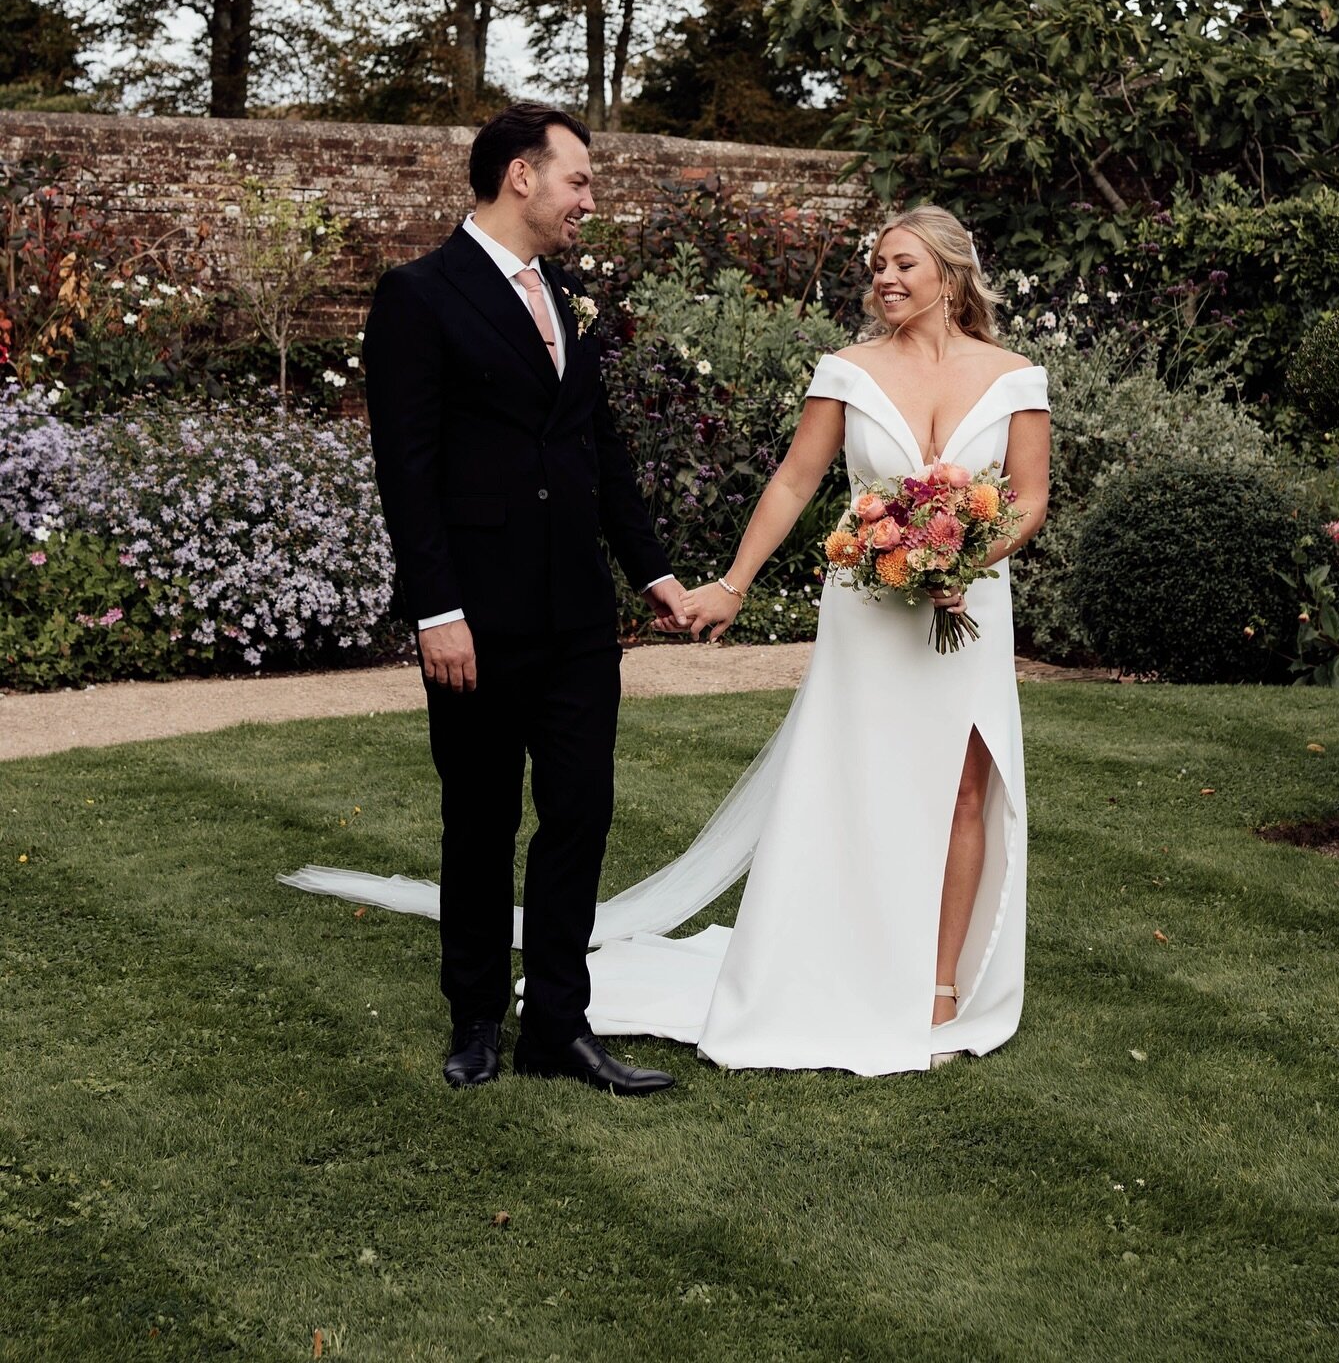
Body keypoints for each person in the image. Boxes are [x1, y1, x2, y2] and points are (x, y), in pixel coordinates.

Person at [286, 204, 1049, 1077]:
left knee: (961, 794)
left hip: (969, 606)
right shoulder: (846, 370)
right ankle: (846, 959)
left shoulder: (1016, 376)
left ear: (951, 273)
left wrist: (962, 557)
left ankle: (941, 988)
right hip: (870, 613)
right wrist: (731, 585)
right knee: (856, 783)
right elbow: (796, 483)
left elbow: (1027, 496)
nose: (885, 278)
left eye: (904, 265)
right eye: (877, 264)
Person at [310, 102, 691, 1096]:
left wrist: (651, 574)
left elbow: (596, 452)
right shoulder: (419, 296)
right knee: (479, 819)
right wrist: (436, 610)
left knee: (580, 813)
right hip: (474, 619)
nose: (589, 201)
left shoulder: (561, 297)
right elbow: (410, 467)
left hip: (576, 618)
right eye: (579, 180)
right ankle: (476, 1019)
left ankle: (557, 1027)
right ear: (521, 176)